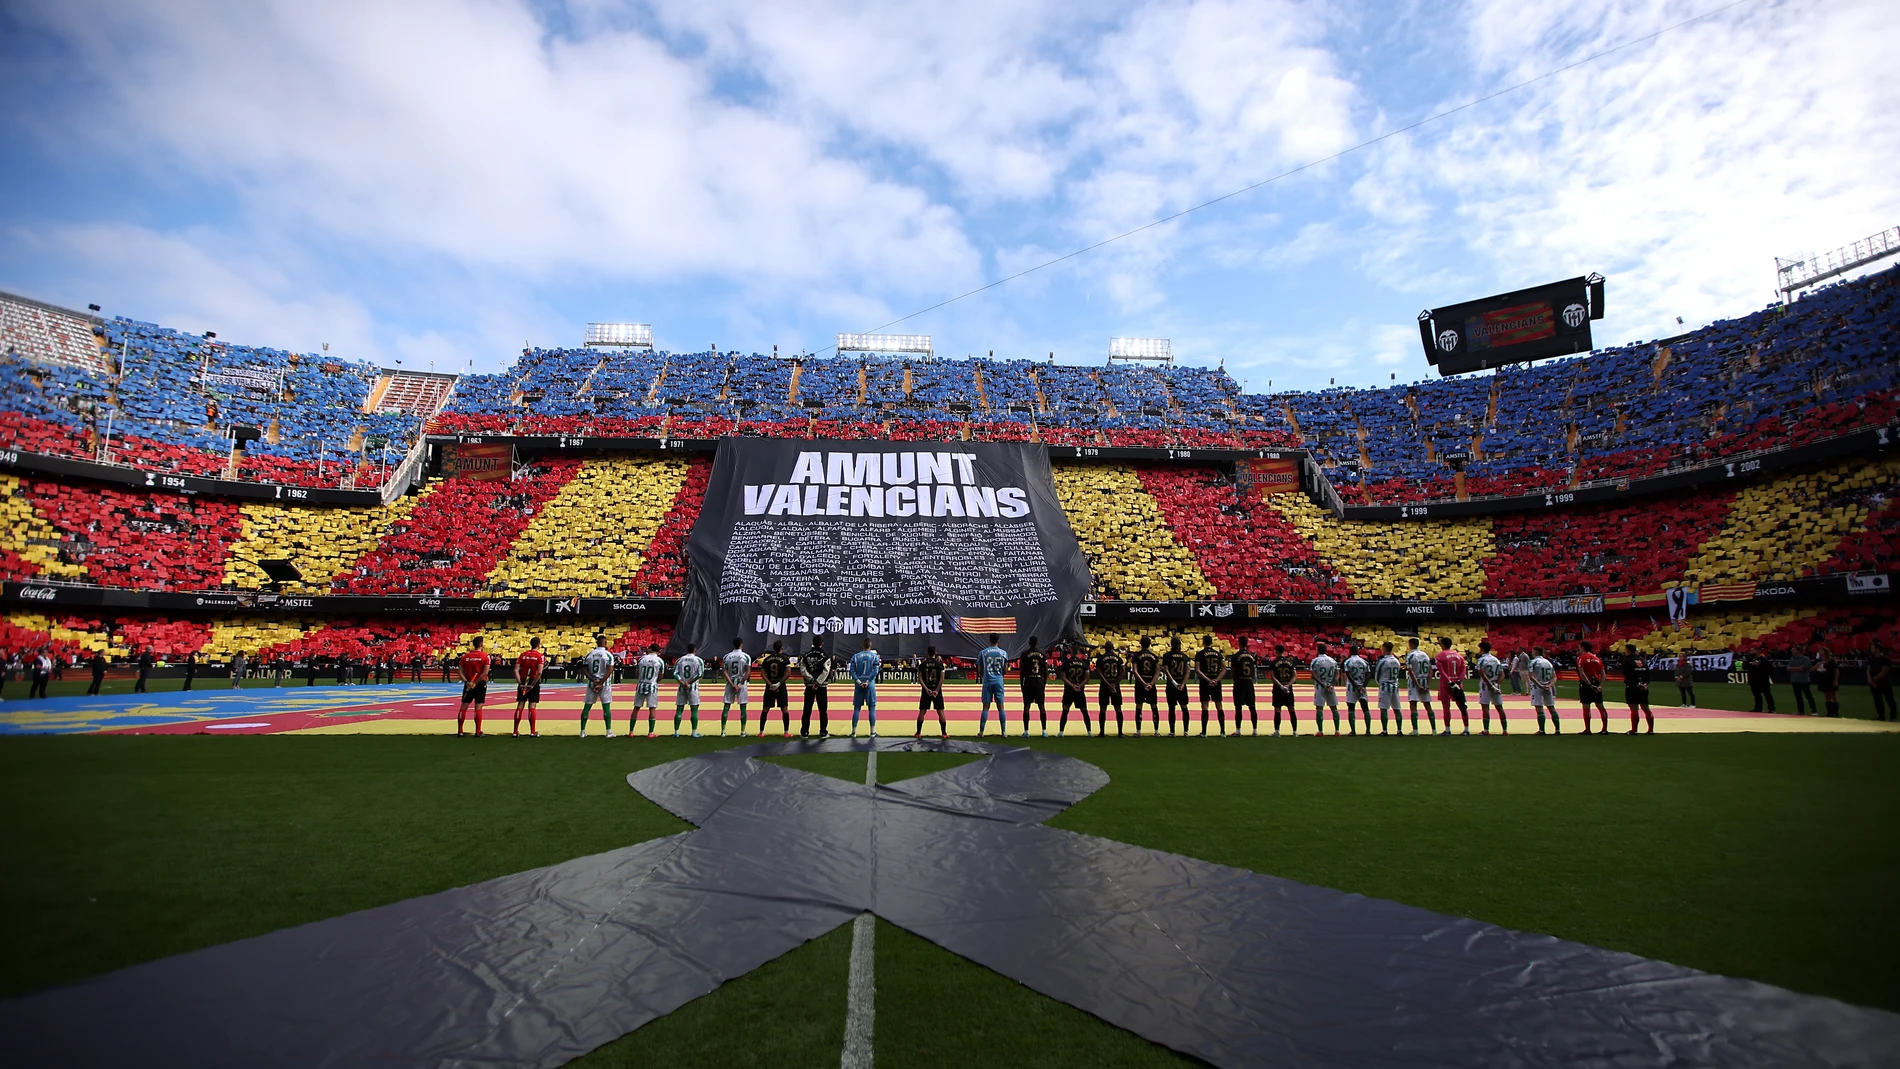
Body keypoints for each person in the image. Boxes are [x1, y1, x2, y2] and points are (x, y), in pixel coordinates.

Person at [579, 635, 617, 738]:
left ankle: (582, 731)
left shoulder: (590, 654)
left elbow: (584, 670)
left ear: (597, 643)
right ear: (605, 643)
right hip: (604, 684)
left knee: (587, 706)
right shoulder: (608, 655)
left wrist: (593, 680)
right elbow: (609, 670)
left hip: (592, 683)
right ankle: (608, 731)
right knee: (606, 707)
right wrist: (601, 683)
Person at [1433, 637, 1469, 735]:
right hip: (1457, 684)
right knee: (1462, 706)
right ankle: (1466, 729)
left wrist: (1449, 681)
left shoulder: (1440, 656)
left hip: (1446, 684)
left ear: (1442, 645)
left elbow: (1441, 671)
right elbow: (1463, 670)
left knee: (1446, 707)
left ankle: (1448, 730)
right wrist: (1458, 681)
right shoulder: (1459, 656)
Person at [975, 635, 1009, 737]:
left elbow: (980, 670)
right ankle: (1003, 732)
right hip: (998, 681)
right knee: (1001, 707)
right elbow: (1005, 670)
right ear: (998, 640)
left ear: (989, 640)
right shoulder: (1003, 653)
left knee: (985, 707)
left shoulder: (983, 653)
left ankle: (981, 732)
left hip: (987, 681)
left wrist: (984, 676)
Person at [456, 638, 491, 737]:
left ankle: (460, 731)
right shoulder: (485, 656)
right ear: (481, 644)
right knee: (478, 707)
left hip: (468, 683)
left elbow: (460, 672)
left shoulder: (466, 657)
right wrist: (475, 682)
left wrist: (467, 682)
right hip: (479, 683)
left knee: (464, 707)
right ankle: (478, 731)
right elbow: (485, 672)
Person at [799, 639, 833, 736]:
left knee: (807, 709)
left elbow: (803, 670)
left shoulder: (806, 655)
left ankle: (804, 731)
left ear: (813, 643)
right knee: (822, 710)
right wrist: (818, 682)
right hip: (821, 686)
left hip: (809, 686)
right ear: (822, 643)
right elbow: (826, 671)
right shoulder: (825, 656)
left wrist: (811, 680)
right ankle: (823, 731)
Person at [513, 637, 546, 737]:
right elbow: (539, 672)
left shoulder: (523, 655)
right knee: (532, 706)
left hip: (523, 680)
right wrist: (532, 685)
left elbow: (515, 670)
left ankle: (515, 731)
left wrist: (520, 683)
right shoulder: (540, 656)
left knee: (520, 705)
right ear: (538, 645)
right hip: (533, 681)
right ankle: (532, 731)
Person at [720, 638, 753, 736]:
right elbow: (747, 671)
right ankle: (743, 731)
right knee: (743, 707)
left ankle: (723, 731)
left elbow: (724, 671)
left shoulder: (727, 656)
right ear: (741, 645)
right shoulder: (746, 656)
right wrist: (740, 683)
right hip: (741, 684)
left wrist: (731, 683)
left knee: (726, 706)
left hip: (730, 683)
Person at [1194, 634, 1226, 736]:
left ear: (1203, 642)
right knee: (1219, 705)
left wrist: (1208, 680)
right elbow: (1224, 669)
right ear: (1212, 642)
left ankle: (1204, 732)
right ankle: (1222, 731)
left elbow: (1197, 670)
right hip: (1216, 682)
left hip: (1205, 682)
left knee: (1204, 706)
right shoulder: (1218, 654)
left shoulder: (1199, 654)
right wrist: (1216, 680)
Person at [758, 640, 792, 736]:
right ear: (781, 648)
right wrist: (779, 683)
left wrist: (770, 684)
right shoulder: (785, 659)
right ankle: (786, 732)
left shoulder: (767, 659)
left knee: (765, 708)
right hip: (780, 686)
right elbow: (788, 673)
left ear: (773, 648)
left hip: (770, 686)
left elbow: (762, 674)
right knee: (784, 708)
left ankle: (761, 732)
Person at [849, 638, 881, 737]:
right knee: (871, 708)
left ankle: (854, 732)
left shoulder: (855, 657)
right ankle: (872, 732)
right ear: (870, 646)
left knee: (857, 708)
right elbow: (875, 671)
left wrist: (859, 681)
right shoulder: (874, 656)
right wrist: (867, 681)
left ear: (862, 645)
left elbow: (852, 672)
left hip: (858, 684)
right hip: (870, 684)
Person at [1474, 639, 1508, 734]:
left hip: (1486, 686)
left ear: (1482, 649)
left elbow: (1482, 674)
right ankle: (1505, 730)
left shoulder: (1482, 660)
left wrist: (1490, 685)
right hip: (1495, 685)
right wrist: (1496, 685)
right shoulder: (1495, 659)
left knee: (1485, 707)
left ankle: (1486, 730)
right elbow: (1502, 674)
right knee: (1499, 708)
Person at [1058, 641, 1092, 735]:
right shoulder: (1084, 663)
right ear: (1078, 653)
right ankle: (1089, 732)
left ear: (1070, 652)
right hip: (1080, 690)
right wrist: (1079, 685)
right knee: (1084, 711)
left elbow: (1063, 677)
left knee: (1065, 711)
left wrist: (1072, 685)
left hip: (1069, 690)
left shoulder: (1066, 663)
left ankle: (1061, 732)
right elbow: (1087, 678)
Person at [1619, 643, 1654, 734]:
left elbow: (1628, 675)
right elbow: (1648, 674)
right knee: (1646, 707)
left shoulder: (1627, 661)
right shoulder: (1642, 660)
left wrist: (1637, 684)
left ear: (1628, 650)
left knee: (1634, 708)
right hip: (1644, 687)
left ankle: (1634, 730)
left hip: (1632, 687)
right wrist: (1645, 683)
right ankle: (1650, 730)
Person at [1130, 636, 1160, 736]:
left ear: (1140, 644)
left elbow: (1135, 671)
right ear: (1150, 644)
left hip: (1140, 684)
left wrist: (1143, 683)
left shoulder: (1136, 656)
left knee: (1139, 706)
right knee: (1154, 706)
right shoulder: (1154, 656)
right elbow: (1157, 672)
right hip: (1151, 684)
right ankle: (1156, 731)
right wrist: (1151, 683)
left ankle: (1138, 731)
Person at [673, 643, 706, 736]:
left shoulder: (680, 660)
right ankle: (694, 732)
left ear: (686, 650)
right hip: (693, 687)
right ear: (695, 650)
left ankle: (676, 732)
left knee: (679, 709)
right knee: (694, 709)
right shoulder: (698, 660)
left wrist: (683, 682)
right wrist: (689, 683)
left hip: (681, 687)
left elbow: (675, 673)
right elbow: (700, 674)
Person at [1019, 636, 1049, 737]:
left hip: (1028, 680)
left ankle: (1026, 731)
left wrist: (1021, 685)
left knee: (1027, 706)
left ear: (1029, 643)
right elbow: (1046, 671)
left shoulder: (1024, 654)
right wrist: (1043, 684)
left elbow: (1022, 672)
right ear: (1037, 643)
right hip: (1039, 681)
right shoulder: (1043, 654)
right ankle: (1044, 731)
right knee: (1041, 706)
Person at [1404, 637, 1435, 735]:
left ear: (1411, 644)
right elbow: (1431, 670)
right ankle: (1434, 730)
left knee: (1413, 705)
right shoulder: (1425, 655)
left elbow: (1411, 671)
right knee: (1428, 705)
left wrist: (1417, 685)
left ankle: (1415, 730)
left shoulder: (1410, 656)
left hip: (1415, 682)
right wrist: (1428, 685)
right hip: (1425, 681)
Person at [1229, 637, 1259, 736]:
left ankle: (1238, 730)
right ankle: (1254, 730)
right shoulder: (1252, 656)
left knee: (1238, 707)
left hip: (1239, 682)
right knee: (1252, 707)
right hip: (1249, 682)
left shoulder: (1236, 656)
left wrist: (1235, 680)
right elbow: (1254, 670)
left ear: (1239, 643)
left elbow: (1233, 671)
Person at [1576, 641, 1609, 734]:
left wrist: (1590, 685)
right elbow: (1603, 674)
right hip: (1597, 682)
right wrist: (1600, 686)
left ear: (1582, 647)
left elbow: (1582, 673)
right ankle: (1604, 729)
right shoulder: (1597, 659)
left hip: (1586, 684)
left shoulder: (1581, 658)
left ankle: (1587, 729)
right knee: (1600, 705)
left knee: (1586, 706)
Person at [916, 645, 948, 737]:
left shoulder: (923, 664)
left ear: (927, 653)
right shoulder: (940, 664)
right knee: (940, 711)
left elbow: (920, 678)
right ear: (935, 653)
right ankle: (944, 733)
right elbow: (942, 679)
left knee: (922, 711)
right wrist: (937, 690)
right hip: (936, 690)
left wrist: (926, 689)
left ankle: (918, 733)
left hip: (926, 690)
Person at [634, 643, 666, 736]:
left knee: (636, 708)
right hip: (652, 685)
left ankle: (631, 731)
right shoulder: (660, 661)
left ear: (650, 649)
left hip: (641, 685)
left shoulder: (641, 659)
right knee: (652, 708)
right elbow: (660, 676)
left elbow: (637, 674)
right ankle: (650, 732)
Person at [1096, 641, 1126, 736]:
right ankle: (1120, 732)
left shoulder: (1100, 659)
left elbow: (1099, 673)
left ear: (1105, 648)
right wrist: (1115, 683)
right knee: (1118, 708)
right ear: (1113, 648)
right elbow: (1122, 672)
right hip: (1115, 685)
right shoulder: (1118, 659)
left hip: (1105, 685)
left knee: (1103, 709)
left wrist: (1107, 683)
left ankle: (1102, 731)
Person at [1162, 636, 1191, 736]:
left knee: (1171, 708)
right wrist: (1183, 683)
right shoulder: (1184, 656)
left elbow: (1166, 670)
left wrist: (1174, 682)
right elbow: (1187, 671)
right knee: (1184, 707)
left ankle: (1172, 731)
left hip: (1171, 685)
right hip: (1182, 685)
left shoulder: (1167, 656)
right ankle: (1186, 731)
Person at [1310, 642, 1340, 735]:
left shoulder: (1315, 661)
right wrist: (1332, 684)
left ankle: (1320, 731)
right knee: (1334, 708)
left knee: (1319, 708)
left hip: (1320, 686)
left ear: (1317, 650)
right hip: (1330, 686)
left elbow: (1313, 676)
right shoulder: (1332, 661)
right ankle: (1337, 730)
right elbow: (1336, 674)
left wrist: (1323, 684)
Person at [1529, 645, 1560, 734]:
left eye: (1532, 651)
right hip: (1547, 686)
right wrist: (1550, 685)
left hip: (1537, 687)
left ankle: (1542, 730)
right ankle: (1557, 729)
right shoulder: (1548, 662)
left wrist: (1540, 685)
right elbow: (1554, 677)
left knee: (1539, 708)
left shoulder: (1533, 662)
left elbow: (1531, 676)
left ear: (1535, 652)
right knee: (1551, 708)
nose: (1531, 653)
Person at [1341, 643, 1371, 736]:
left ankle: (1353, 731)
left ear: (1350, 652)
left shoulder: (1347, 662)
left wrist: (1356, 686)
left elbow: (1348, 675)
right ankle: (1368, 730)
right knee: (1365, 708)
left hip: (1352, 687)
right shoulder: (1364, 661)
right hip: (1362, 686)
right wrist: (1363, 686)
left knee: (1351, 708)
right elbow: (1368, 674)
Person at [1375, 641, 1404, 735]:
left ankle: (1384, 730)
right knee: (1397, 708)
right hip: (1395, 686)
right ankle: (1399, 730)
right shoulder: (1396, 660)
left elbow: (1377, 675)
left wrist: (1380, 683)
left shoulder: (1383, 661)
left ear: (1385, 649)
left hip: (1385, 686)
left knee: (1383, 708)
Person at [1270, 644, 1299, 736]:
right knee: (1291, 709)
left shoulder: (1273, 663)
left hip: (1278, 689)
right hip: (1288, 688)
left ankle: (1277, 731)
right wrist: (1288, 685)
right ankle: (1295, 731)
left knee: (1277, 710)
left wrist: (1281, 686)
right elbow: (1294, 676)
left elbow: (1273, 677)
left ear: (1276, 651)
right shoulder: (1290, 662)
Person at [1868, 640, 1894, 722]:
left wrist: (1875, 678)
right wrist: (1870, 679)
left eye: (1872, 648)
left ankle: (1893, 716)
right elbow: (1868, 669)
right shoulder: (1872, 659)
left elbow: (1884, 671)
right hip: (1874, 683)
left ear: (1878, 649)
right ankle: (1881, 716)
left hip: (1884, 683)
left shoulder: (1885, 659)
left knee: (1889, 699)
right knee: (1877, 700)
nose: (1871, 649)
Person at [1814, 647, 1842, 718]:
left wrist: (1836, 680)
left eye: (1821, 650)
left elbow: (1836, 671)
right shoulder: (1819, 660)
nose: (1819, 652)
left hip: (1830, 679)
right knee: (1827, 696)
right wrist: (1819, 664)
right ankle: (1829, 712)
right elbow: (1813, 668)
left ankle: (1835, 712)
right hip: (1823, 679)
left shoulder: (1832, 660)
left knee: (1833, 695)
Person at [1786, 647, 1815, 715]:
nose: (1792, 650)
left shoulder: (1805, 659)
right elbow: (1788, 668)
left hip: (1804, 680)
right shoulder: (1792, 658)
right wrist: (1798, 668)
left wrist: (1792, 669)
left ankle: (1814, 711)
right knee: (1798, 696)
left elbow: (1804, 668)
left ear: (1799, 651)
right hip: (1795, 680)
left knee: (1808, 696)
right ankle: (1800, 711)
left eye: (1794, 649)